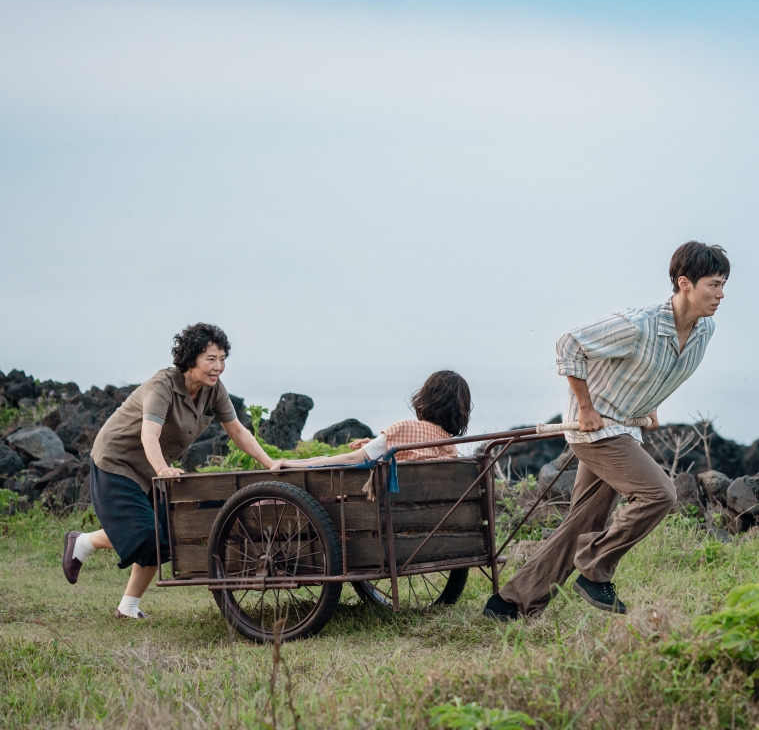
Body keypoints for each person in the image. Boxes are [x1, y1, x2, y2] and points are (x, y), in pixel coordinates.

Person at [484, 241, 729, 622]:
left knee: (583, 523)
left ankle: (509, 604)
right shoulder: (640, 325)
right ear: (685, 283)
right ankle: (595, 570)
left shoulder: (703, 331)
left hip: (624, 428)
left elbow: (661, 370)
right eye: (713, 284)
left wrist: (650, 403)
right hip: (595, 431)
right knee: (659, 494)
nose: (721, 294)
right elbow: (569, 344)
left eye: (723, 284)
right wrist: (585, 408)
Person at [61, 323, 282, 619]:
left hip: (152, 466)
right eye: (211, 359)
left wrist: (270, 464)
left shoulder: (213, 390)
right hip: (117, 461)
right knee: (148, 535)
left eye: (222, 359)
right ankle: (83, 542)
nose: (219, 367)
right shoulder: (162, 385)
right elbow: (149, 434)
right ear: (191, 358)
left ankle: (127, 607)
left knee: (167, 533)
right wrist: (163, 469)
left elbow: (237, 431)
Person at [277, 370, 471, 469]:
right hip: (426, 513)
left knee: (321, 461)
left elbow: (351, 459)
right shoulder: (449, 447)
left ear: (425, 398)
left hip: (382, 511)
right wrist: (377, 444)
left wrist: (294, 465)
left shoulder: (404, 430)